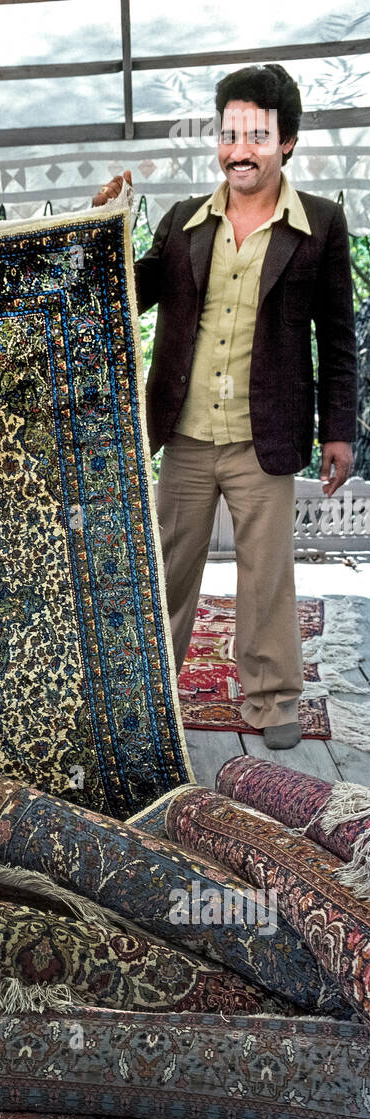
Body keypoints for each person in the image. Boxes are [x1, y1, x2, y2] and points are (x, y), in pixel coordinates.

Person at [94, 64, 356, 750]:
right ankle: (149, 694)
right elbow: (130, 295)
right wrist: (101, 229)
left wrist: (339, 432)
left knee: (264, 573)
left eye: (256, 136)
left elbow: (336, 336)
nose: (238, 149)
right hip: (181, 434)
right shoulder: (183, 222)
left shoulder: (321, 224)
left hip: (261, 435)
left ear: (287, 142)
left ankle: (270, 700)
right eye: (228, 134)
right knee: (165, 571)